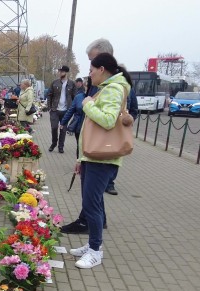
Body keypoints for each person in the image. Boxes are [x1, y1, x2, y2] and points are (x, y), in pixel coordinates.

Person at [61, 38, 138, 234]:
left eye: (92, 62)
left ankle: (93, 239)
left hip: (103, 148)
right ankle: (90, 222)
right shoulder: (106, 82)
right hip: (91, 144)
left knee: (93, 196)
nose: (90, 69)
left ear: (103, 63)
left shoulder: (114, 85)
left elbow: (115, 116)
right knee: (91, 195)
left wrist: (89, 105)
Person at [69, 53, 132, 269]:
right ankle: (92, 244)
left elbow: (107, 121)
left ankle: (95, 250)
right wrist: (81, 158)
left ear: (102, 69)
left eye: (92, 69)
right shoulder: (107, 88)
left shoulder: (114, 89)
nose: (90, 73)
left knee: (91, 204)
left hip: (102, 158)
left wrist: (87, 104)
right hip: (92, 156)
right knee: (93, 202)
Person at [46, 65, 77, 153]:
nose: (59, 73)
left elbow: (75, 97)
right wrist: (49, 108)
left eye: (61, 71)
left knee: (63, 129)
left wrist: (73, 110)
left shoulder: (72, 84)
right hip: (55, 109)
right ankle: (54, 143)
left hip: (66, 111)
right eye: (59, 71)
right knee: (54, 127)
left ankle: (61, 146)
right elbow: (49, 95)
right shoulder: (54, 82)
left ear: (66, 73)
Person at [59, 78, 87, 144]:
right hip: (79, 126)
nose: (86, 87)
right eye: (86, 85)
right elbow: (71, 110)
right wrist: (63, 122)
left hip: (90, 129)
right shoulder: (78, 96)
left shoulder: (95, 97)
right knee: (79, 146)